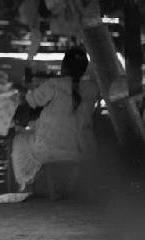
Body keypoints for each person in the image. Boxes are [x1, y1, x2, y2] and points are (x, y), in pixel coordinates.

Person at [12, 46, 99, 192]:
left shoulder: (54, 85)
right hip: (83, 150)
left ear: (63, 66)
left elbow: (30, 101)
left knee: (19, 141)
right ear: (84, 69)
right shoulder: (92, 89)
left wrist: (20, 90)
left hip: (49, 150)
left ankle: (27, 186)